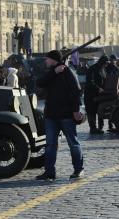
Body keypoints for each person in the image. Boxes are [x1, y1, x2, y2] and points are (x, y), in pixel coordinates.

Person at [35, 50, 84, 180]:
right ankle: (49, 172)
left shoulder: (68, 72)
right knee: (50, 144)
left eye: (48, 59)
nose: (46, 61)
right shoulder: (52, 72)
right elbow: (40, 82)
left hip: (67, 115)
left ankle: (78, 169)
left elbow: (76, 92)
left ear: (54, 60)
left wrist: (75, 110)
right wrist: (54, 72)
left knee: (73, 143)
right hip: (51, 115)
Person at [84, 55, 110, 134]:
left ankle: (100, 127)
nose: (107, 65)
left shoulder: (103, 69)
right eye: (106, 63)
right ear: (103, 62)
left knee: (100, 110)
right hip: (90, 94)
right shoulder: (92, 69)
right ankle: (93, 128)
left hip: (99, 94)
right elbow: (90, 82)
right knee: (91, 111)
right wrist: (98, 88)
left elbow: (104, 79)